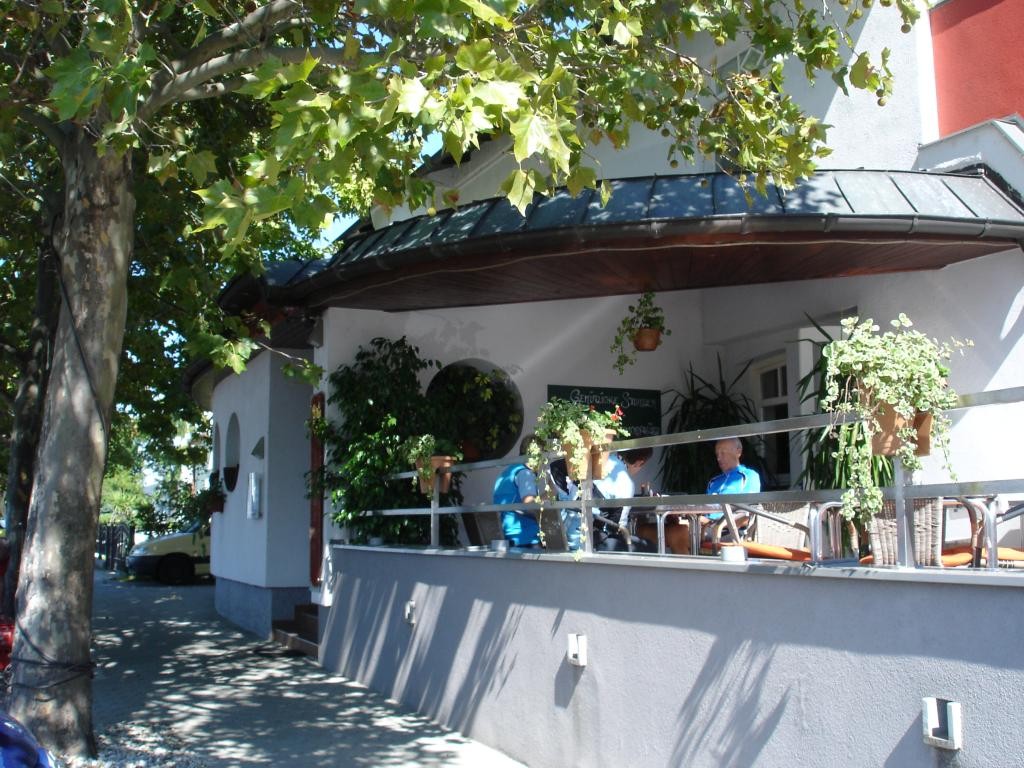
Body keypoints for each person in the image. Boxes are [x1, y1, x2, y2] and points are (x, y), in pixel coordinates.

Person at [592, 447, 655, 552]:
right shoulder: (626, 483)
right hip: (594, 538)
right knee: (650, 547)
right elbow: (619, 525)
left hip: (572, 527)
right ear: (639, 463)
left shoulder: (601, 460)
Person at [492, 435, 542, 548]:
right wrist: (551, 493)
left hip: (506, 537)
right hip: (526, 538)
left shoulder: (507, 473)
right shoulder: (525, 473)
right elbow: (530, 505)